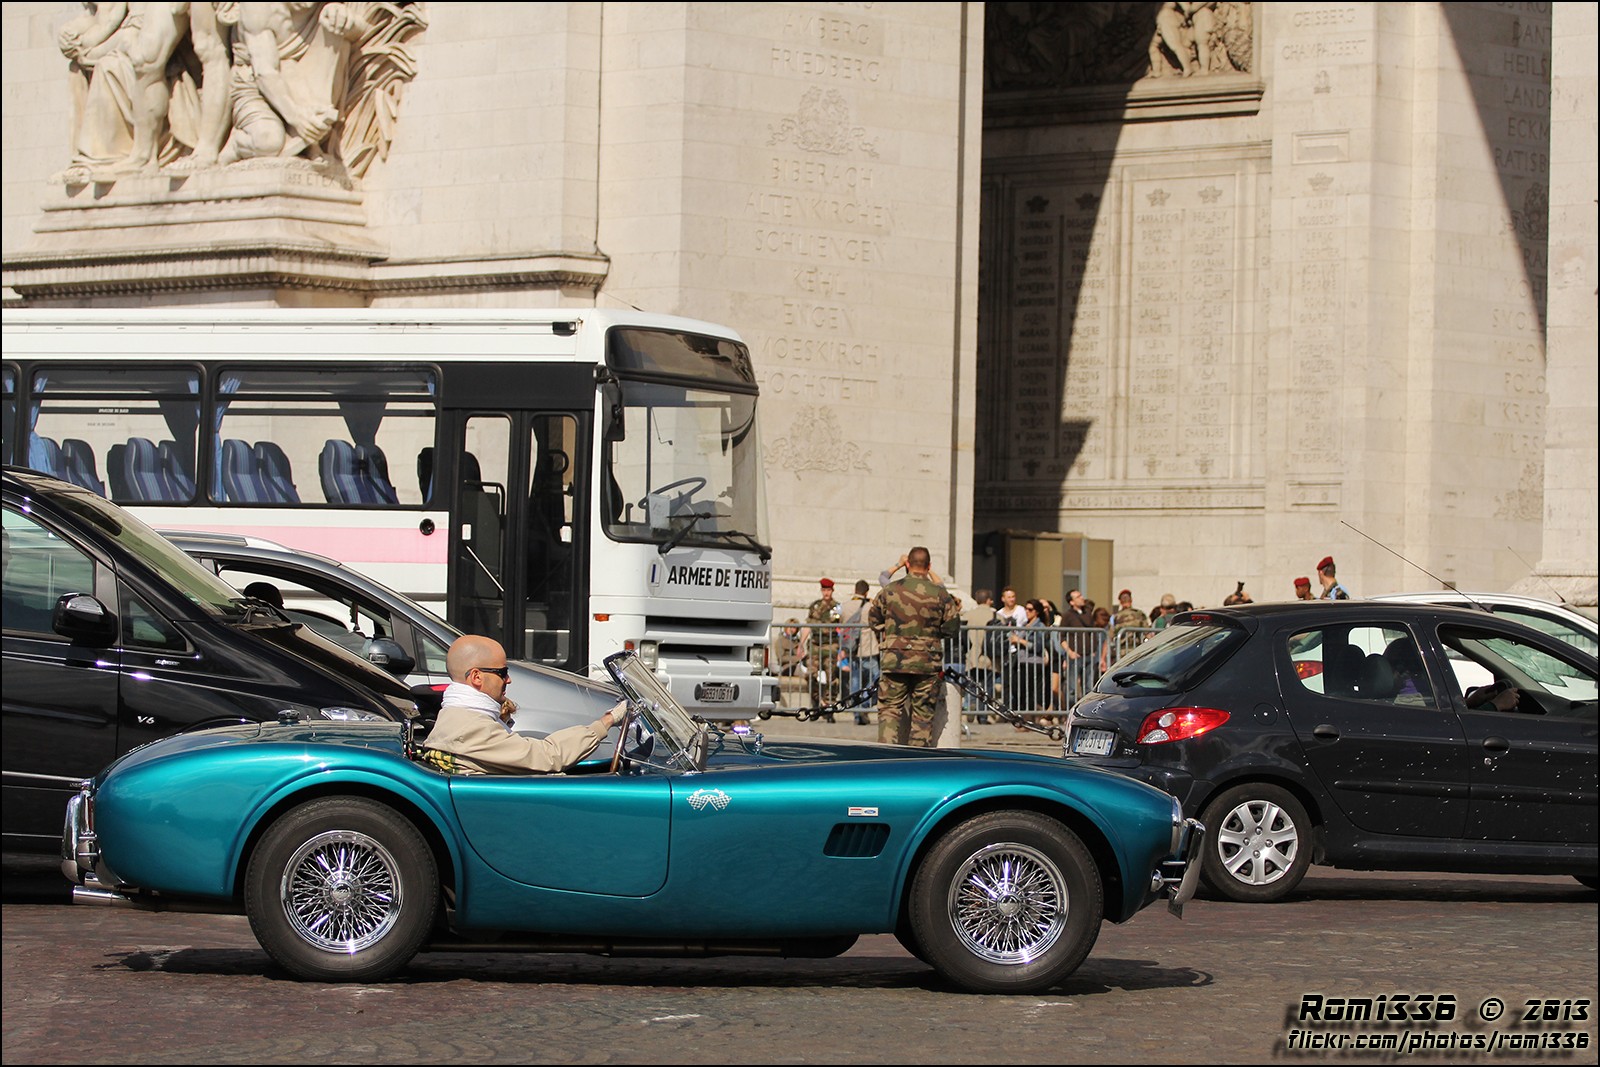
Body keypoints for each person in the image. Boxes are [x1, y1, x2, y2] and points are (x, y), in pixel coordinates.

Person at [420, 634, 622, 774]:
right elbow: (548, 757)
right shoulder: (470, 727)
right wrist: (606, 721)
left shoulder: (457, 716)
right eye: (503, 673)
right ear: (476, 677)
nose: (508, 680)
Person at [868, 547, 959, 746]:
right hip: (928, 661)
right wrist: (933, 636)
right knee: (923, 715)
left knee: (889, 710)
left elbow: (874, 620)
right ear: (929, 567)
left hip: (895, 659)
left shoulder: (890, 590)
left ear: (907, 564)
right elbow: (952, 627)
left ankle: (886, 757)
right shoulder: (940, 594)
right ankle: (917, 761)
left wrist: (892, 632)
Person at [805, 577, 843, 713]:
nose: (826, 593)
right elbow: (808, 625)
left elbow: (841, 628)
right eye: (824, 590)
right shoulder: (815, 606)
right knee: (810, 675)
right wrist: (801, 645)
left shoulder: (837, 607)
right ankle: (816, 701)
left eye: (828, 590)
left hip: (831, 645)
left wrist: (842, 649)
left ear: (832, 591)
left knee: (831, 677)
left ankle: (829, 705)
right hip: (815, 644)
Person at [960, 588, 998, 723]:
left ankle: (970, 714)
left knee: (971, 686)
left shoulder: (967, 615)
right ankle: (983, 715)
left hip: (971, 657)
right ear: (989, 600)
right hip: (989, 657)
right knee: (987, 687)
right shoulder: (996, 616)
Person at [841, 579, 876, 724]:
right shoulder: (870, 606)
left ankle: (857, 712)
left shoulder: (844, 606)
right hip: (868, 647)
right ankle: (865, 705)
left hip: (851, 648)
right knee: (874, 678)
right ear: (866, 592)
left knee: (855, 680)